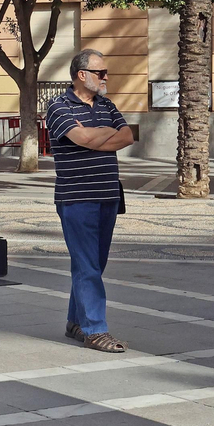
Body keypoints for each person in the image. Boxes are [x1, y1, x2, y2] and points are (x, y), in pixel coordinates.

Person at [45, 49, 135, 353]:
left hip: (108, 195)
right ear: (81, 75)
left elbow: (126, 137)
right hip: (77, 197)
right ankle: (95, 330)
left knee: (93, 264)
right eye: (100, 72)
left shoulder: (107, 104)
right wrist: (101, 135)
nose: (106, 77)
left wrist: (95, 134)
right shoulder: (58, 106)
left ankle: (76, 322)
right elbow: (80, 139)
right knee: (87, 266)